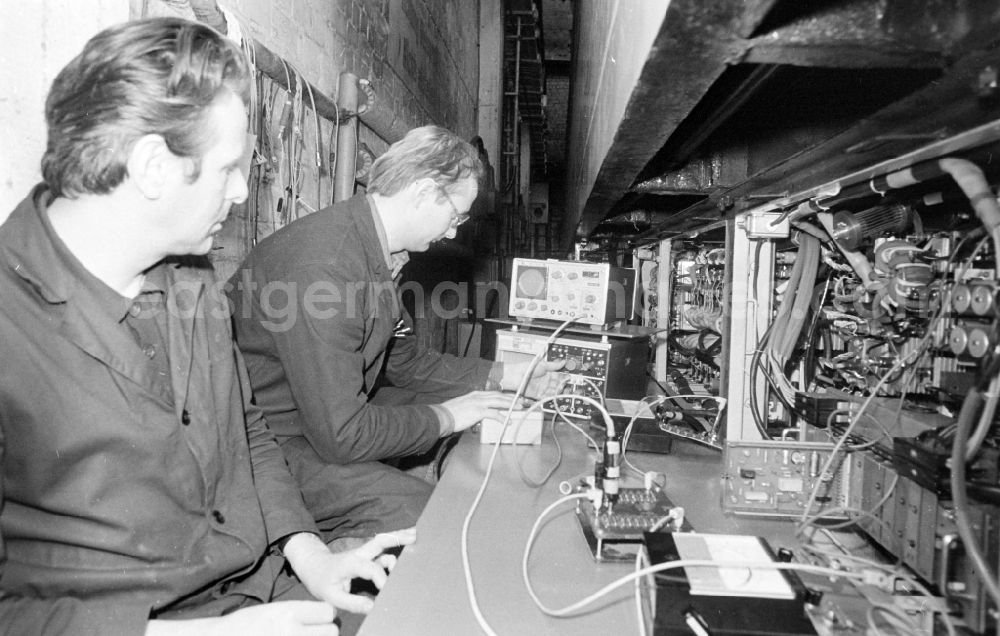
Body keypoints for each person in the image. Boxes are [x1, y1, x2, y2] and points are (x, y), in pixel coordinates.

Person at [0, 17, 410, 635]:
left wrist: (312, 554)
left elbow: (247, 430)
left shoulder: (191, 277)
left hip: (257, 589)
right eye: (227, 168)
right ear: (152, 167)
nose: (243, 191)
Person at [227, 125, 564, 541]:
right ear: (423, 193)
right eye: (456, 215)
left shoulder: (376, 250)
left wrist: (505, 376)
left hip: (318, 417)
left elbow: (404, 362)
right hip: (271, 441)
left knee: (444, 407)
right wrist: (447, 416)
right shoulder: (328, 271)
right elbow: (343, 436)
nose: (455, 231)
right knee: (426, 517)